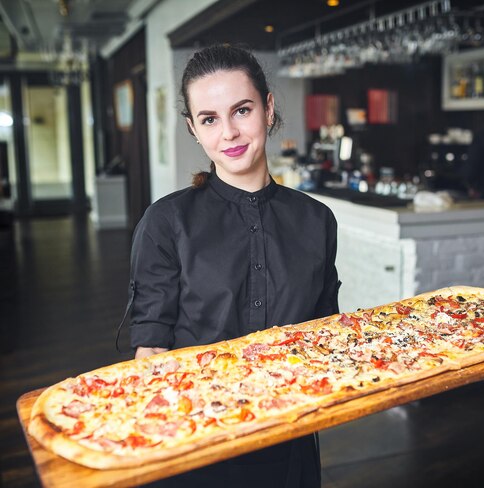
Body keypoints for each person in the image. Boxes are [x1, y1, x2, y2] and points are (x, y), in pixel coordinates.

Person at [127, 44, 340, 488]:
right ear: (193, 128)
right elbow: (150, 352)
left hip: (291, 438)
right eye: (209, 119)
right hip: (198, 446)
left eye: (241, 110)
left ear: (268, 108)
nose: (229, 132)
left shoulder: (317, 219)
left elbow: (327, 338)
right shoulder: (165, 222)